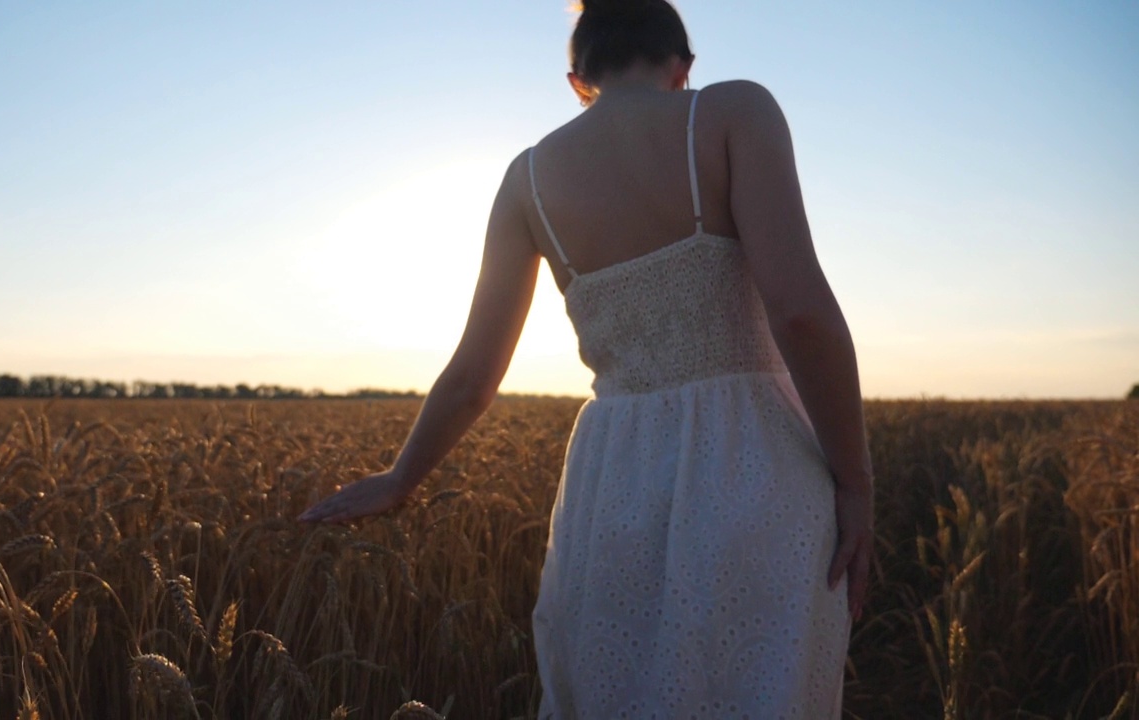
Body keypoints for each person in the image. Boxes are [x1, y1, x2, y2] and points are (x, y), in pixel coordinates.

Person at [299, 0, 874, 715]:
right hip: (755, 465)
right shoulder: (733, 112)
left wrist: (401, 475)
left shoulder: (527, 179)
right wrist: (855, 484)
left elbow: (474, 374)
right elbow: (800, 313)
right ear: (683, 69)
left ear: (578, 80)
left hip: (614, 484)